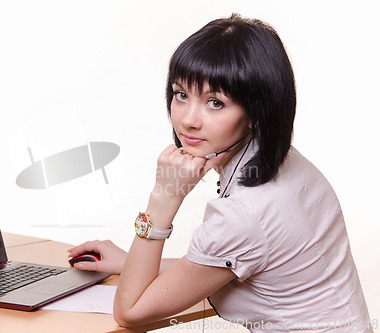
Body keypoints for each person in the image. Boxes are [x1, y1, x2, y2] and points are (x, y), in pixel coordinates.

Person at [68, 14, 373, 332]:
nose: (188, 120)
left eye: (215, 102)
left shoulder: (243, 214)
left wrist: (164, 197)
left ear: (257, 110)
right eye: (181, 95)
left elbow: (130, 311)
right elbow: (218, 266)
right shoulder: (288, 162)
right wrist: (129, 262)